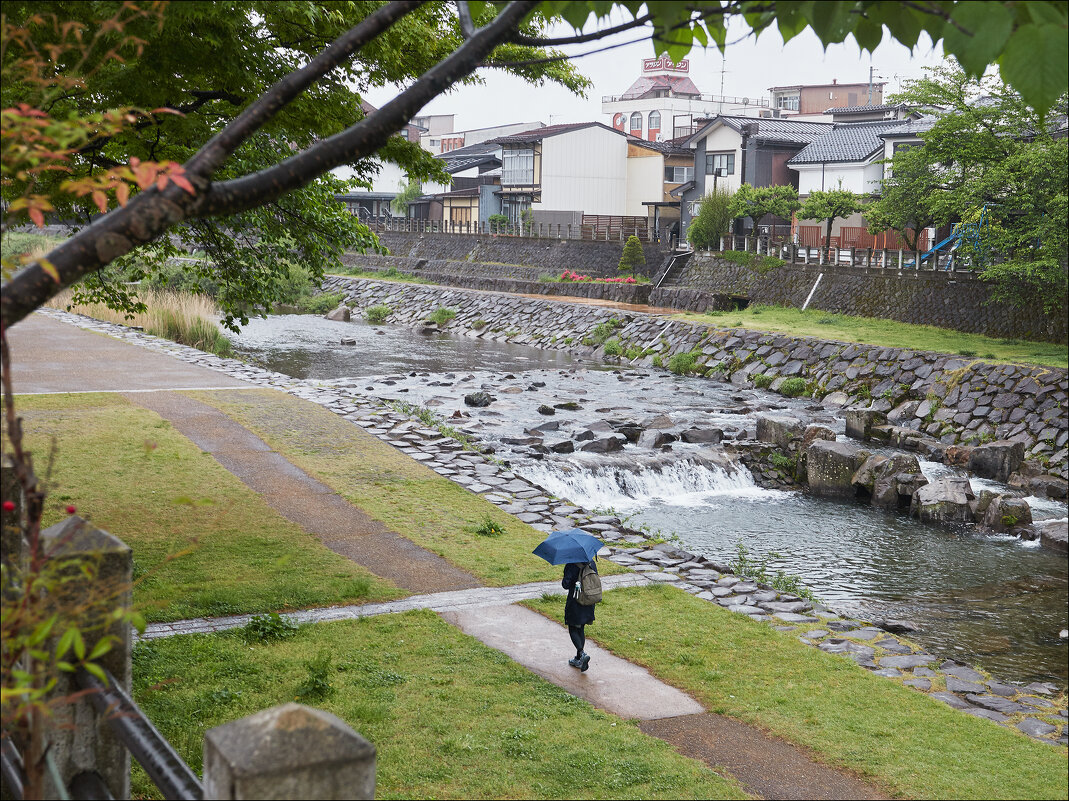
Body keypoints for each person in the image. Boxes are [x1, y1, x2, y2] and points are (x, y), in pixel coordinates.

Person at [561, 560, 597, 671]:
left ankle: (581, 653)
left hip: (575, 601)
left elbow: (565, 585)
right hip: (588, 600)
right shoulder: (591, 563)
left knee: (572, 627)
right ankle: (578, 658)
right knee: (581, 628)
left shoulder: (571, 564)